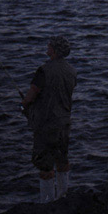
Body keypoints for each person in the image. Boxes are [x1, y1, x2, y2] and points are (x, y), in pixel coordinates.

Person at [22, 36, 77, 203]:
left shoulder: (44, 71)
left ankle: (47, 203)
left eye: (50, 45)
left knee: (45, 165)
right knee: (62, 160)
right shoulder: (71, 71)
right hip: (64, 123)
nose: (47, 47)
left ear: (54, 50)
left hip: (46, 124)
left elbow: (30, 96)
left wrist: (25, 105)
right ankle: (63, 196)